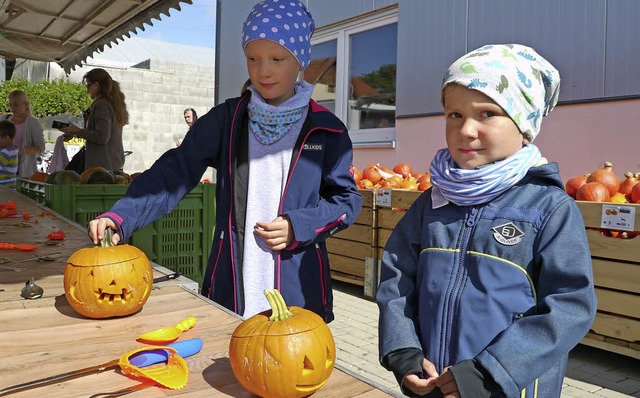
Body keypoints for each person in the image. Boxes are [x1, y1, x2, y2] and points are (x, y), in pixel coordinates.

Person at [87, 0, 362, 323]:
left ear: (301, 59)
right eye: (252, 58)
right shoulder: (226, 121)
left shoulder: (326, 129)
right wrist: (121, 216)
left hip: (298, 297)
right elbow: (173, 172)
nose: (263, 70)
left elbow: (346, 201)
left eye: (277, 58)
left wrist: (298, 226)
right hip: (231, 290)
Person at [376, 44, 597, 398]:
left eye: (487, 114)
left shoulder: (549, 208)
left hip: (505, 387)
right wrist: (403, 352)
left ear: (524, 123)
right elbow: (397, 281)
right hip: (435, 384)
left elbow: (570, 305)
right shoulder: (431, 203)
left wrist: (491, 371)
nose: (466, 130)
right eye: (455, 115)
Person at [59, 68, 128, 172]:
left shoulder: (102, 105)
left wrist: (78, 131)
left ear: (96, 85)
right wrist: (76, 134)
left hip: (102, 165)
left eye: (88, 85)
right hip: (112, 163)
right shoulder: (113, 103)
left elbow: (102, 136)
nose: (87, 90)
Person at [3, 90, 45, 178]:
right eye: (10, 105)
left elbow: (41, 148)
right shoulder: (4, 120)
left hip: (24, 172)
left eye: (16, 105)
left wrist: (23, 150)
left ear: (25, 104)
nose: (12, 108)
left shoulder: (33, 123)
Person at [0, 120, 19, 189]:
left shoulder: (6, 153)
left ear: (6, 138)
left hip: (4, 188)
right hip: (10, 187)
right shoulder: (13, 151)